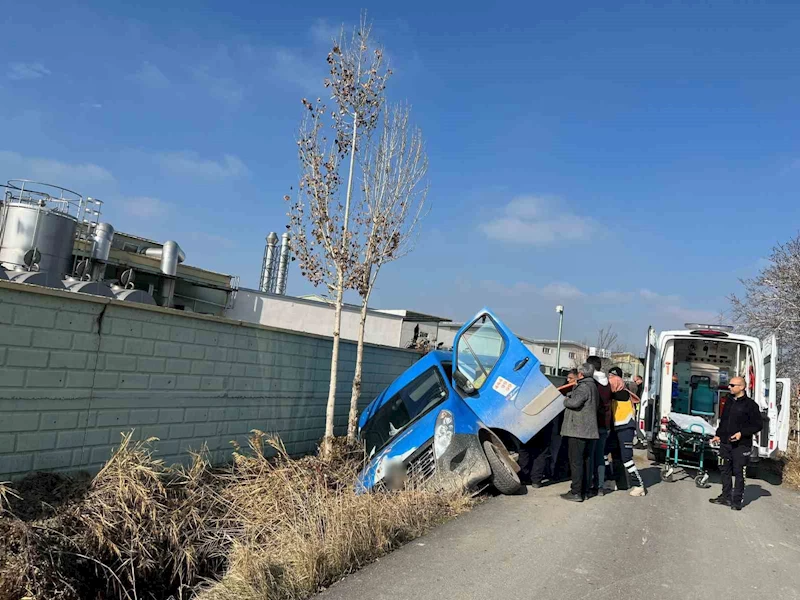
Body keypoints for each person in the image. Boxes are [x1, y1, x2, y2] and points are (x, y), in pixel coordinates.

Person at [709, 376, 763, 511]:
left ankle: (736, 501)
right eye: (729, 385)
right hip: (726, 443)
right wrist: (718, 435)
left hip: (742, 445)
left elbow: (758, 425)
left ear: (742, 387)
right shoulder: (728, 401)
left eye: (732, 385)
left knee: (739, 472)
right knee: (724, 470)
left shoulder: (751, 405)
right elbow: (724, 421)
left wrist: (741, 433)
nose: (729, 387)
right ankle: (725, 496)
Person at [519, 369, 574, 487]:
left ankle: (524, 477)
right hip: (545, 424)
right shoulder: (548, 388)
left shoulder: (524, 389)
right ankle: (536, 480)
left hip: (528, 424)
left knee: (525, 450)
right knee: (541, 452)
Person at [560, 363, 599, 502]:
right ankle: (585, 490)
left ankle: (576, 492)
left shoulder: (583, 386)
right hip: (589, 430)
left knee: (576, 462)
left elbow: (574, 403)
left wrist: (566, 400)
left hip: (578, 430)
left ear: (581, 374)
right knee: (586, 461)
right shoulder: (594, 385)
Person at [609, 366, 647, 497]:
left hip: (625, 427)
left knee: (626, 458)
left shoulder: (622, 393)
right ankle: (619, 482)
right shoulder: (617, 392)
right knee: (614, 455)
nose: (610, 381)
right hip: (617, 426)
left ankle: (639, 485)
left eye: (613, 378)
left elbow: (612, 395)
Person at [586, 356, 612, 497]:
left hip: (593, 423)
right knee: (600, 456)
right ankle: (600, 487)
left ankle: (589, 485)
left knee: (589, 456)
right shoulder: (607, 383)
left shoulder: (591, 382)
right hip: (605, 424)